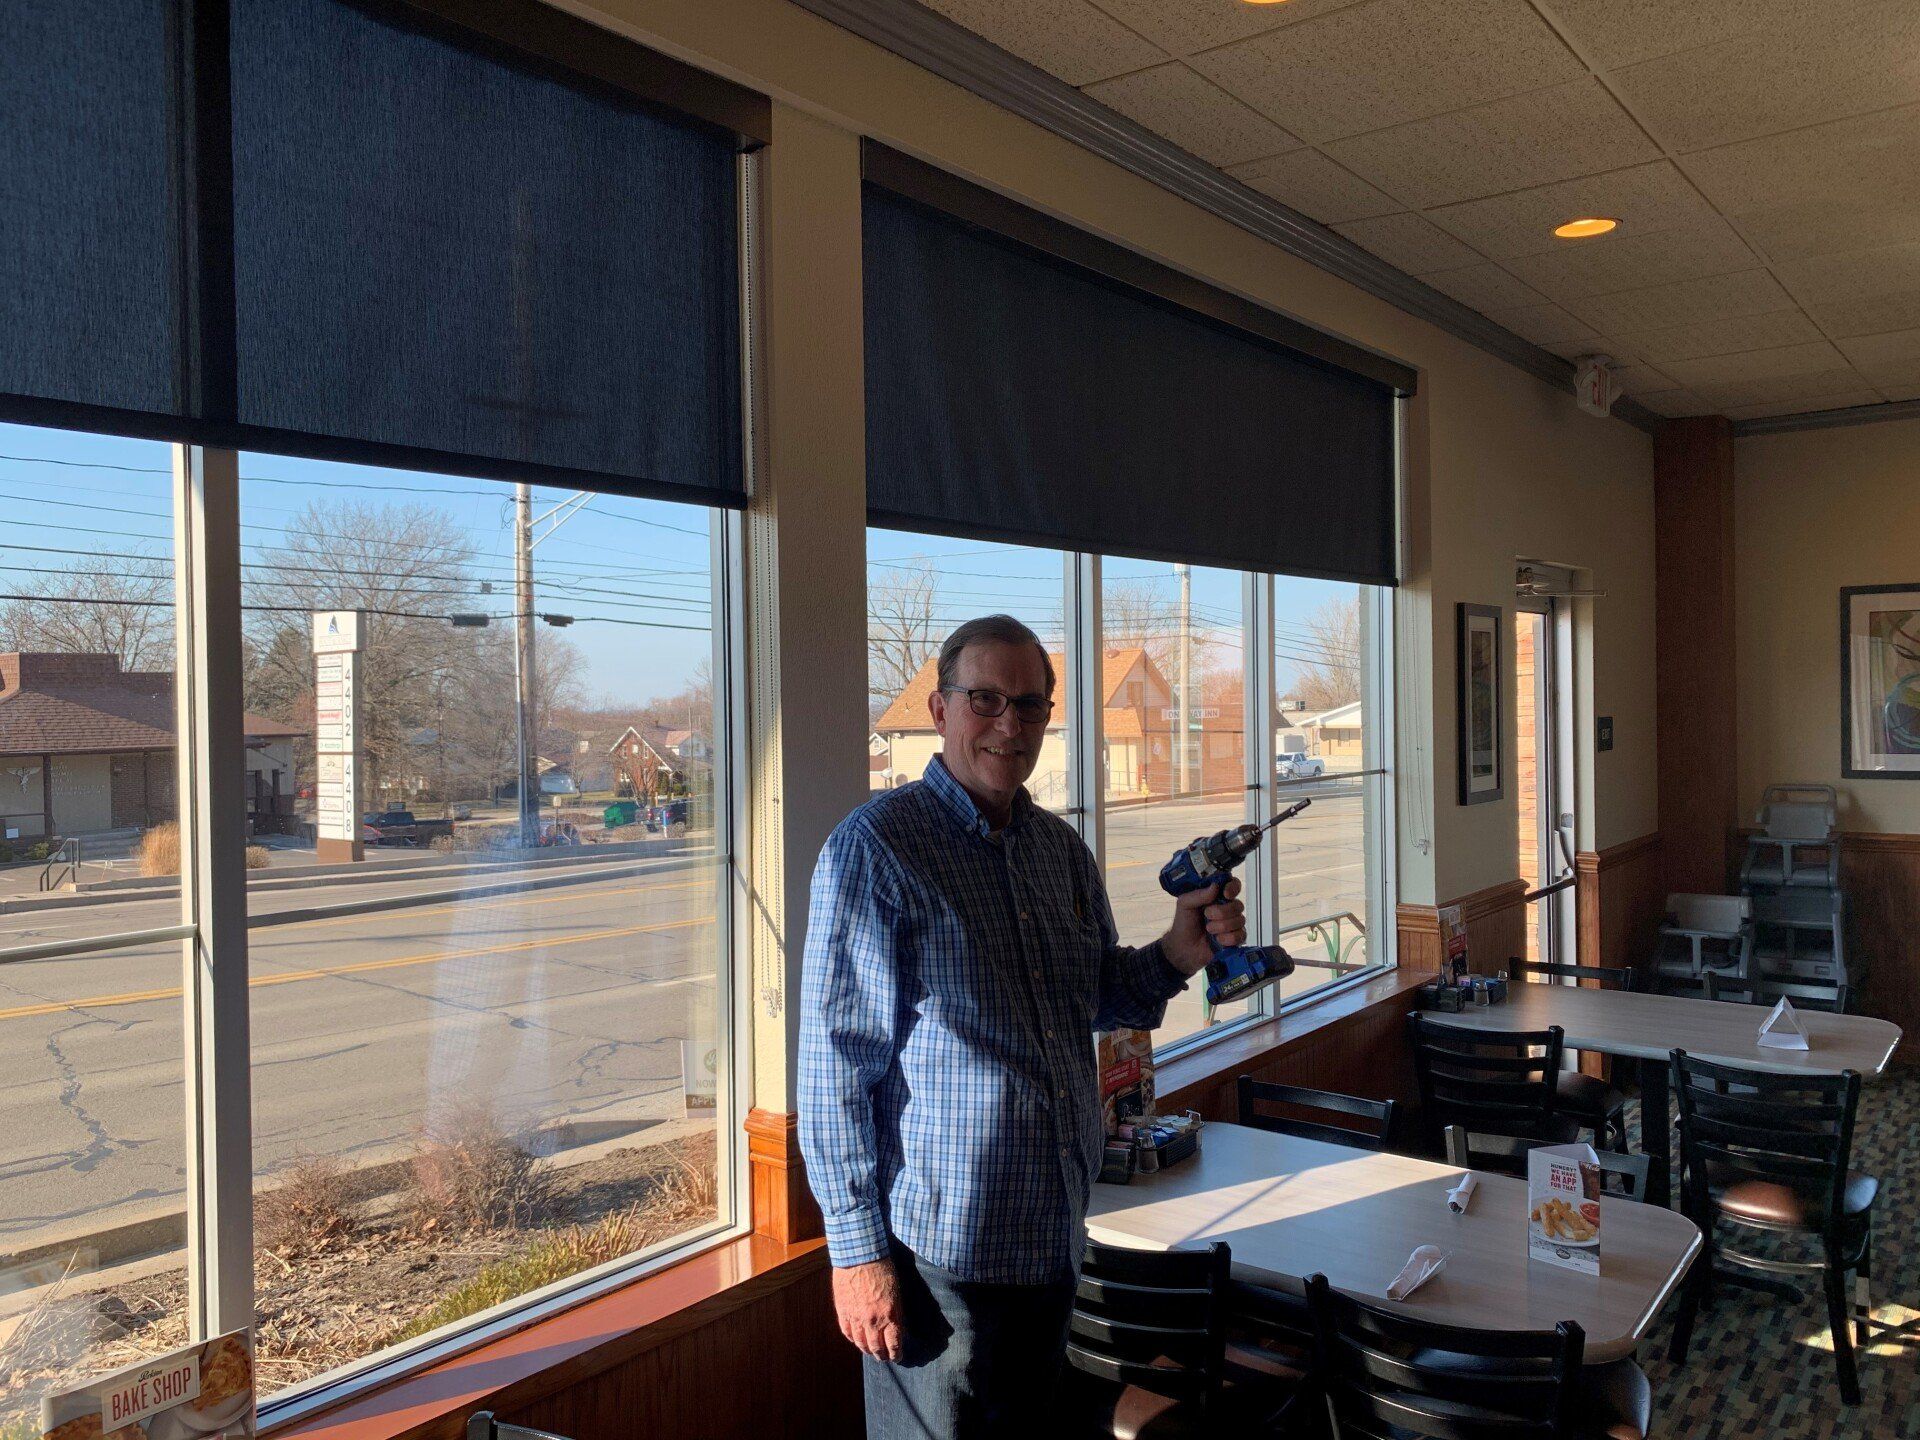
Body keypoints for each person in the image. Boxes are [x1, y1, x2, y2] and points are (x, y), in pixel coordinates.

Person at [799, 614, 1245, 1438]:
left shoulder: (1059, 851)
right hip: (939, 1267)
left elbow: (1096, 996)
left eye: (1031, 705)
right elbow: (834, 1071)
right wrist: (857, 1254)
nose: (1010, 724)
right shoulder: (877, 849)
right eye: (986, 700)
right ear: (940, 709)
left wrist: (1179, 950)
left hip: (1052, 1245)